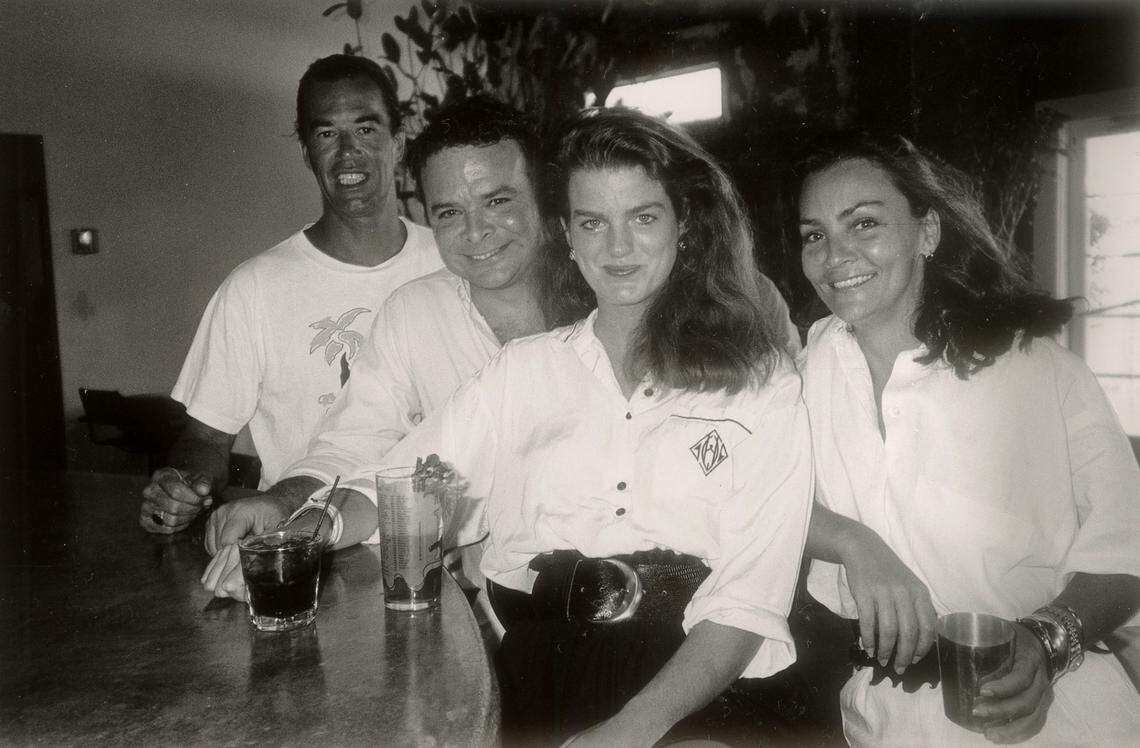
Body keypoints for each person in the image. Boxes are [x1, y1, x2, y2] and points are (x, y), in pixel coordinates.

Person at [309, 107, 812, 745]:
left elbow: (748, 598)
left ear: (685, 226)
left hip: (694, 686)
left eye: (644, 217)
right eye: (593, 222)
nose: (618, 247)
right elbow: (409, 481)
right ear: (566, 236)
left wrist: (632, 730)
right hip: (538, 676)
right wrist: (311, 529)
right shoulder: (522, 374)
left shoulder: (761, 384)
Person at [790, 131, 1140, 745]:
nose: (835, 255)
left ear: (926, 234)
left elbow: (1127, 547)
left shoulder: (1038, 369)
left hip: (1055, 715)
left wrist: (1047, 640)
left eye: (864, 224)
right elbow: (755, 492)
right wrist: (855, 542)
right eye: (814, 234)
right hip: (881, 720)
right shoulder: (806, 367)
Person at [200, 94, 551, 596]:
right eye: (449, 212)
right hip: (488, 601)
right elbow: (362, 445)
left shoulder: (607, 301)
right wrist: (284, 509)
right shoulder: (414, 311)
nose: (476, 231)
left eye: (498, 201)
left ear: (544, 195)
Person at [138, 54, 441, 534]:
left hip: (440, 547)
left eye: (366, 130)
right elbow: (205, 438)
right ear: (307, 153)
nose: (347, 152)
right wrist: (183, 487)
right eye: (326, 134)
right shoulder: (254, 289)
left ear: (398, 142)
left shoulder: (451, 264)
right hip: (306, 542)